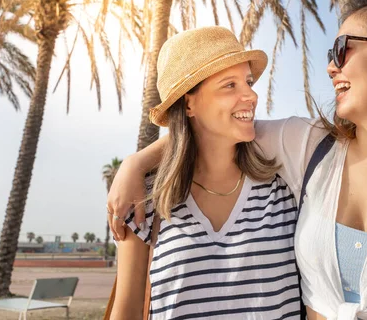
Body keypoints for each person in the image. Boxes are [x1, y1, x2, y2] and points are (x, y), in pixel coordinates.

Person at [109, 0, 367, 319]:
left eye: (343, 48)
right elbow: (210, 129)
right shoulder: (309, 147)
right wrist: (136, 164)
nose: (329, 66)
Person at [110, 26, 304, 319]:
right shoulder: (144, 199)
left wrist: (134, 162)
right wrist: (133, 165)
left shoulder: (285, 184)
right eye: (230, 85)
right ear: (189, 103)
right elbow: (126, 311)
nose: (250, 95)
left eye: (248, 82)